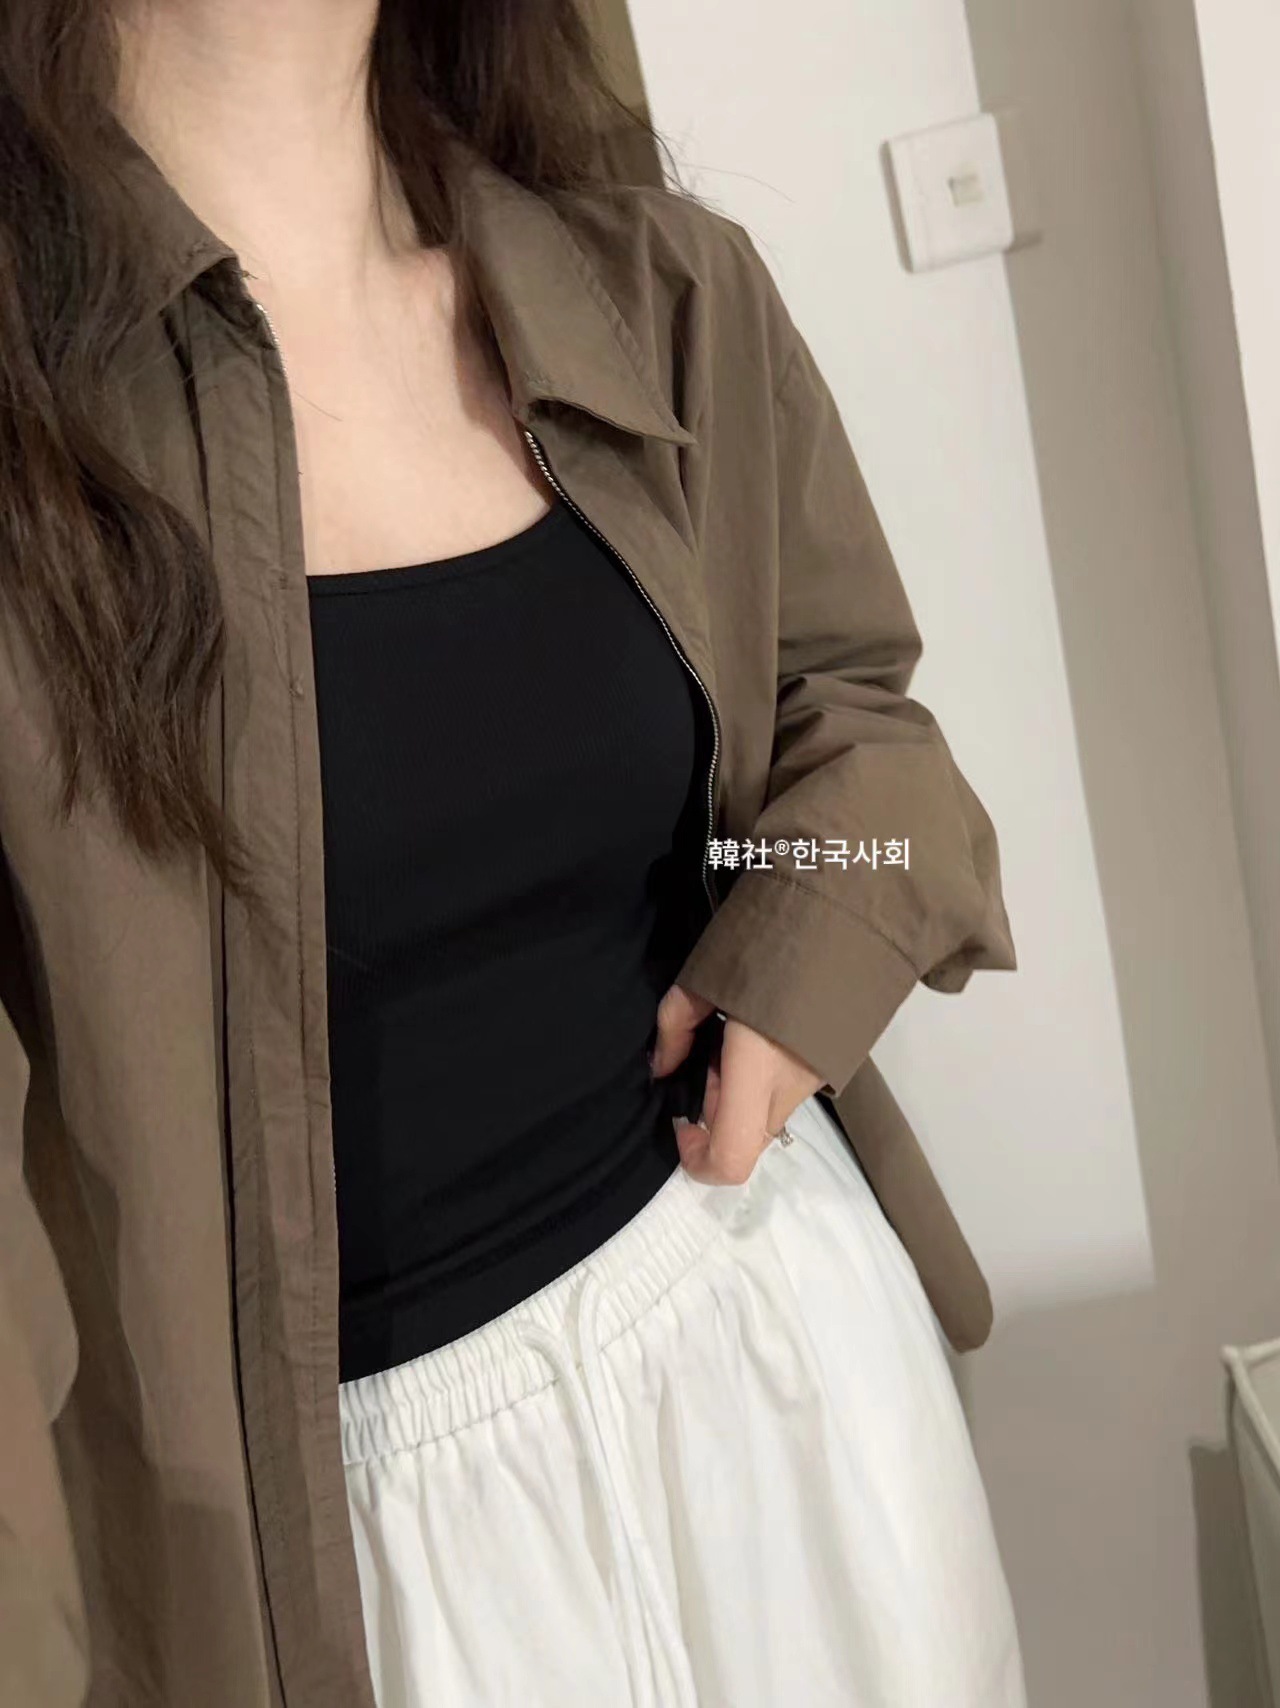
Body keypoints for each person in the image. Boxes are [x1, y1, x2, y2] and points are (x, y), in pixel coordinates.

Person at [0, 2, 1027, 1704]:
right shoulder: (39, 457)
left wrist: (813, 933)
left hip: (788, 1362)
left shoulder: (659, 290)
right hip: (351, 1575)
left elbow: (850, 706)